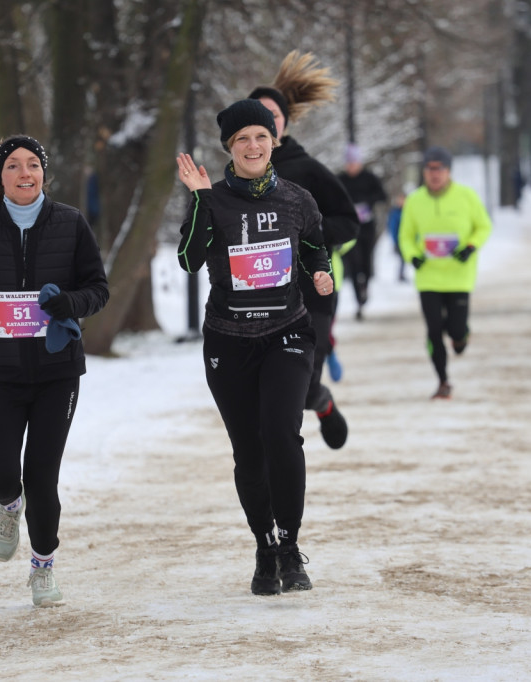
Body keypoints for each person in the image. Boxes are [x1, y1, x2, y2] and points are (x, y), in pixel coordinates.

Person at [0, 135, 110, 607]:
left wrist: (68, 303)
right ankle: (8, 507)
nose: (23, 173)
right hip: (1, 372)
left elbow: (98, 288)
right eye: (13, 165)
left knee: (42, 475)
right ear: (2, 176)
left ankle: (43, 568)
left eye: (32, 164)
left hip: (58, 373)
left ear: (43, 173)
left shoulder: (71, 224)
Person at [176, 99, 334, 596]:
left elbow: (312, 246)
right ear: (229, 147)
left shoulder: (297, 199)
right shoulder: (213, 199)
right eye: (242, 138)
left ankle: (289, 544)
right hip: (229, 340)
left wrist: (321, 272)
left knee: (282, 435)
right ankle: (264, 546)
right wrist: (201, 199)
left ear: (274, 142)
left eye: (260, 137)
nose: (252, 146)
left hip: (287, 332)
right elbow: (189, 258)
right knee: (249, 449)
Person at [248, 50, 359, 449]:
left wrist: (307, 235)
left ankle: (318, 405)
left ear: (283, 124)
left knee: (300, 381)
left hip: (314, 290)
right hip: (258, 296)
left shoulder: (307, 168)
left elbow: (348, 220)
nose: (263, 125)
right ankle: (279, 451)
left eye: (271, 118)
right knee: (270, 385)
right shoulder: (237, 178)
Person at [398, 146, 492, 400]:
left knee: (456, 330)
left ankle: (461, 337)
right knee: (433, 330)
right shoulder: (415, 200)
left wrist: (470, 247)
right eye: (430, 169)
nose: (435, 174)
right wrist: (412, 256)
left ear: (449, 171)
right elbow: (405, 236)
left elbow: (483, 226)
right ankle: (442, 380)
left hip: (459, 276)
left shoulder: (466, 197)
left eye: (440, 169)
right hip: (428, 276)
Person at [337, 143, 388, 320]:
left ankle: (365, 286)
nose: (351, 166)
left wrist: (367, 202)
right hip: (349, 228)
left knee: (365, 262)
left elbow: (382, 195)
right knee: (353, 263)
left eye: (354, 162)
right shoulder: (340, 179)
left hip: (367, 227)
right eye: (348, 163)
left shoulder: (369, 178)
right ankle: (358, 298)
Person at [386, 190, 407, 281]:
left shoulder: (408, 211)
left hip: (407, 239)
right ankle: (400, 274)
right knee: (402, 259)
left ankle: (402, 274)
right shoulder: (395, 212)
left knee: (405, 259)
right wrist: (395, 239)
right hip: (398, 240)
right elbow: (392, 227)